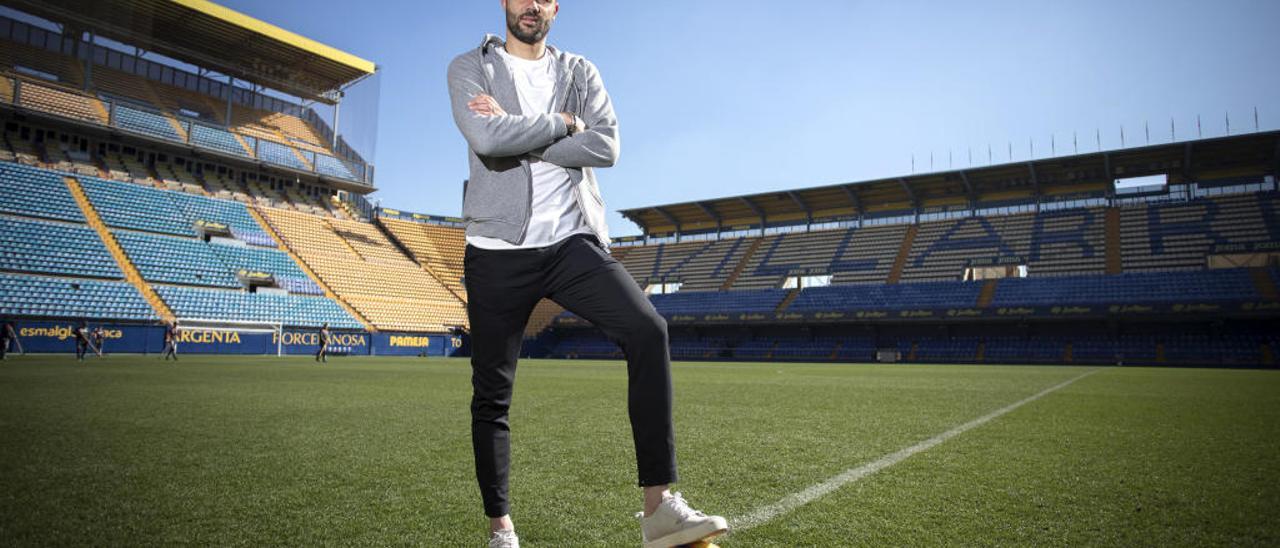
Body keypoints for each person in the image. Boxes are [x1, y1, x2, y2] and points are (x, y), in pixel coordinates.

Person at [447, 2, 726, 546]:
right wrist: (564, 125)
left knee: (648, 330)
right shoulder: (469, 67)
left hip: (572, 240)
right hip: (497, 247)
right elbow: (485, 140)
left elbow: (607, 146)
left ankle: (658, 509)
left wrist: (519, 130)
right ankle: (500, 527)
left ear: (554, 7)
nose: (531, 5)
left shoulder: (580, 71)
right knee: (492, 392)